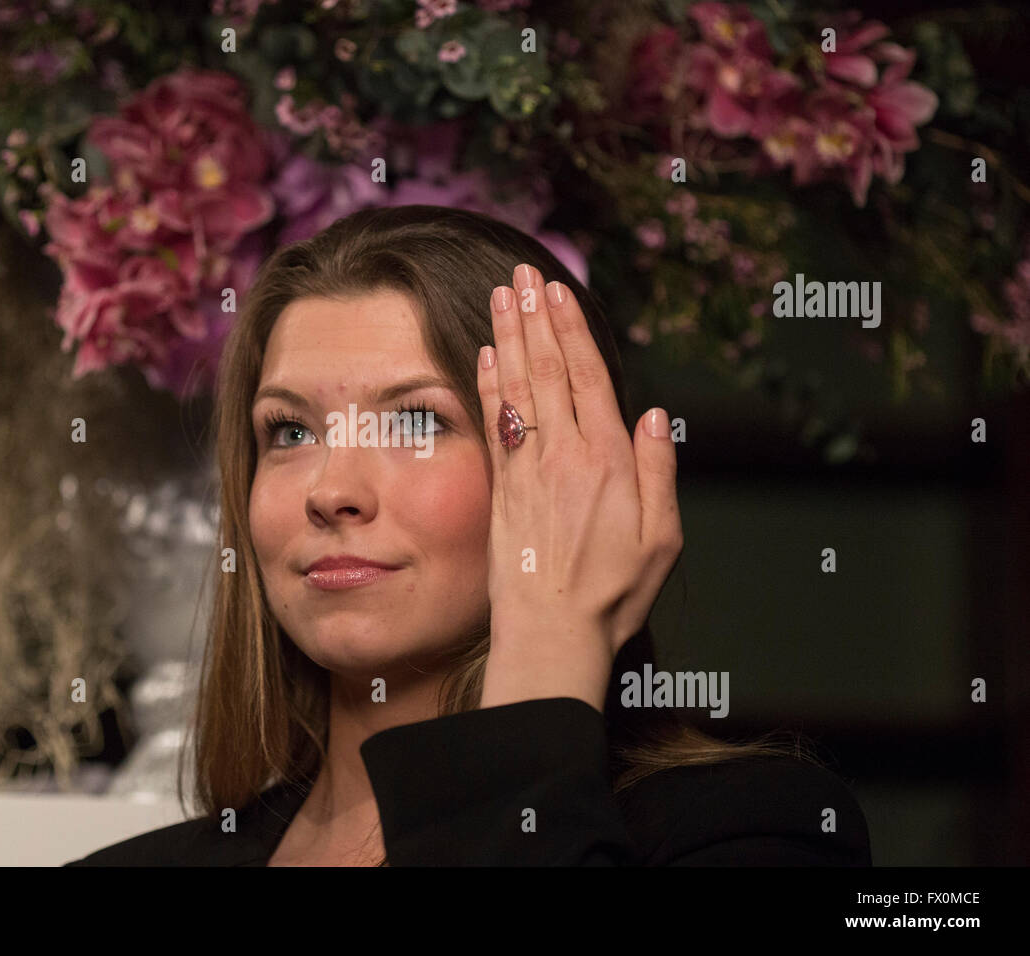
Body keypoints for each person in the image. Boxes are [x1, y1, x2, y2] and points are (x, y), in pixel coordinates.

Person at [67, 204, 872, 866]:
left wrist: (551, 643)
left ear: (570, 476)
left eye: (416, 420)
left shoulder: (753, 832)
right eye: (290, 432)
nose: (332, 493)